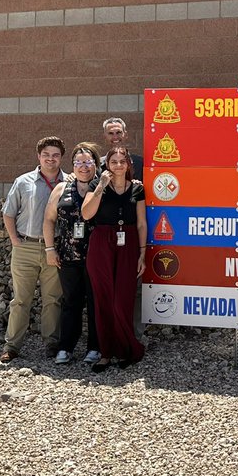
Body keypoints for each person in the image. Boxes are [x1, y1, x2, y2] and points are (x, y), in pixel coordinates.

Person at [0, 136, 69, 363]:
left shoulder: (69, 182)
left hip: (55, 249)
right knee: (21, 299)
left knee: (53, 299)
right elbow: (8, 213)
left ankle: (51, 344)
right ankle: (12, 346)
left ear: (61, 157)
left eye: (55, 155)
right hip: (26, 247)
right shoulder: (23, 182)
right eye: (46, 155)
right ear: (39, 156)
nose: (51, 159)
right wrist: (15, 241)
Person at [81, 146, 148, 371]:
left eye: (122, 161)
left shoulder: (137, 188)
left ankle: (127, 349)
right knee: (103, 299)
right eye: (113, 161)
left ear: (129, 164)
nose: (118, 165)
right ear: (106, 165)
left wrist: (142, 254)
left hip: (128, 242)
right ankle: (105, 352)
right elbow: (86, 213)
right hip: (101, 242)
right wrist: (100, 185)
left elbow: (141, 223)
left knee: (123, 300)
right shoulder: (96, 185)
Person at [44, 142, 104, 367]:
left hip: (96, 258)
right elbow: (49, 219)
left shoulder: (100, 189)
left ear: (96, 165)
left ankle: (95, 347)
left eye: (88, 162)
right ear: (73, 166)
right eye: (78, 162)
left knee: (96, 302)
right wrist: (50, 249)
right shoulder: (62, 189)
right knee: (71, 302)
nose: (83, 167)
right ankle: (66, 347)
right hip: (69, 257)